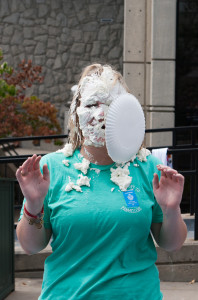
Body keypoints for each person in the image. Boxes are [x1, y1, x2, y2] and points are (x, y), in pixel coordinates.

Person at [16, 63, 187, 300]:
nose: (101, 114)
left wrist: (171, 210)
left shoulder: (148, 168)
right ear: (76, 112)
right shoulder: (50, 169)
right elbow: (31, 246)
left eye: (110, 105)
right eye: (92, 104)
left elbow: (172, 245)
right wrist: (33, 205)